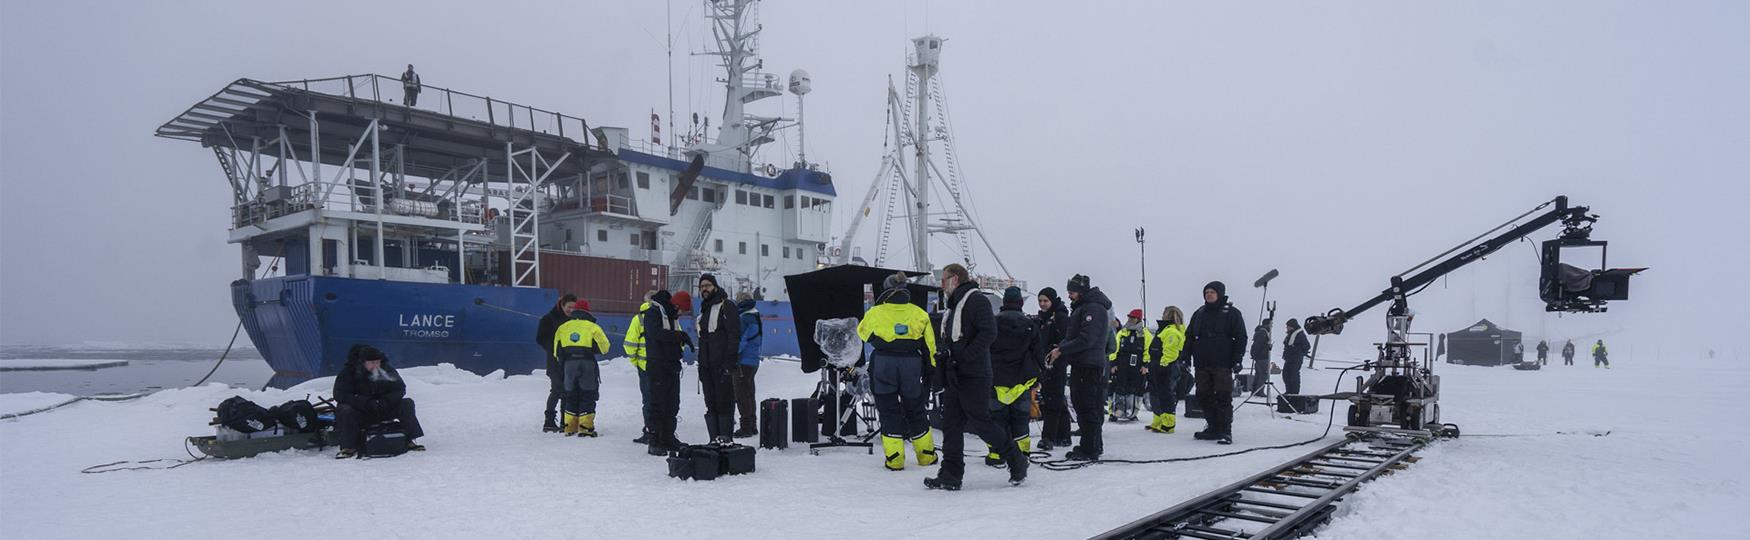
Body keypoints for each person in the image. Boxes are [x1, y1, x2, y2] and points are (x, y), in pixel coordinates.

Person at [925, 264, 1029, 490]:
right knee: (951, 425)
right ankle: (950, 474)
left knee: (981, 423)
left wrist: (964, 356)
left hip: (975, 374)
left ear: (955, 279)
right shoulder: (953, 306)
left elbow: (989, 332)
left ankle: (1016, 459)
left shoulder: (976, 301)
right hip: (955, 373)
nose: (941, 284)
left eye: (944, 279)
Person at [860, 272, 938, 471]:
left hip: (884, 363)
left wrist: (880, 340)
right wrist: (931, 371)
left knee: (888, 410)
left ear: (886, 290)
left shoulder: (874, 312)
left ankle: (895, 460)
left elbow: (863, 332)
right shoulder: (919, 313)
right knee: (916, 410)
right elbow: (930, 345)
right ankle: (926, 456)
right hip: (911, 365)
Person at [1046, 274, 1114, 461]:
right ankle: (1091, 445)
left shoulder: (1093, 308)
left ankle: (1090, 448)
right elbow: (1076, 335)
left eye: (1072, 292)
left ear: (1082, 291)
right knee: (1083, 405)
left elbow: (1087, 339)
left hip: (1089, 365)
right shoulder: (1084, 307)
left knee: (1087, 407)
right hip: (1082, 363)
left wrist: (1062, 349)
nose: (1069, 296)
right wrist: (1060, 346)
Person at [333, 345, 425, 459]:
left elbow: (399, 388)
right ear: (363, 362)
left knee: (406, 404)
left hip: (383, 408)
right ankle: (348, 447)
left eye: (377, 362)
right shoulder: (348, 373)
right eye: (372, 363)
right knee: (345, 410)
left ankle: (409, 440)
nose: (375, 366)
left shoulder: (387, 370)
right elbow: (340, 395)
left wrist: (386, 401)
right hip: (361, 411)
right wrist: (365, 402)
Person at [985, 287, 1042, 468]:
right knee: (1020, 420)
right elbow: (1038, 354)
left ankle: (996, 454)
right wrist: (1040, 376)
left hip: (996, 381)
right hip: (1021, 382)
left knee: (996, 420)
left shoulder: (993, 323)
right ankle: (1022, 454)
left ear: (1004, 303)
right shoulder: (1030, 325)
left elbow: (984, 350)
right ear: (1021, 303)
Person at [1187, 281, 1246, 445]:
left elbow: (1241, 337)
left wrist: (1237, 359)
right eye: (1206, 292)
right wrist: (1185, 356)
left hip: (1222, 362)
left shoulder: (1232, 313)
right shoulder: (1199, 313)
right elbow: (1189, 336)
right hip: (1202, 363)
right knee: (1203, 395)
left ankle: (1226, 430)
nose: (1209, 295)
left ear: (1220, 293)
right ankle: (1213, 427)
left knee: (1223, 396)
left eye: (1212, 292)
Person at [692, 275, 741, 444]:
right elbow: (703, 339)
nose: (704, 289)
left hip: (721, 365)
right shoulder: (704, 309)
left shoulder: (726, 306)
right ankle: (714, 440)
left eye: (707, 285)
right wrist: (701, 366)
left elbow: (734, 335)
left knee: (724, 402)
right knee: (710, 403)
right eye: (701, 286)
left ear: (715, 286)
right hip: (706, 366)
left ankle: (726, 438)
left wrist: (729, 363)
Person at [642, 290, 691, 455]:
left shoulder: (670, 316)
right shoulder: (653, 313)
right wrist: (678, 336)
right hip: (657, 365)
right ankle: (654, 440)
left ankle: (668, 437)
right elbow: (655, 334)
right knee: (657, 403)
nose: (681, 314)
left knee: (672, 403)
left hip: (671, 365)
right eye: (681, 310)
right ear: (676, 305)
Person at [552, 300, 609, 436]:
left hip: (569, 365)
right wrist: (590, 349)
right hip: (587, 363)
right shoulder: (592, 327)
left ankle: (570, 427)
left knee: (570, 394)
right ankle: (586, 428)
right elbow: (605, 347)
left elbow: (556, 351)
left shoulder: (563, 327)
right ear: (587, 311)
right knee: (588, 394)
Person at [1033, 288, 1074, 451]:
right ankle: (1064, 436)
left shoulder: (1060, 317)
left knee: (1052, 401)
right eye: (1040, 301)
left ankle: (1048, 437)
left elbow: (1065, 340)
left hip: (1057, 363)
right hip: (1046, 363)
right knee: (1055, 399)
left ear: (1052, 301)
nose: (1043, 304)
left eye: (1045, 301)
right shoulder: (1043, 318)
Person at [535, 294, 578, 432]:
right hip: (554, 360)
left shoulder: (575, 319)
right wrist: (555, 348)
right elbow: (540, 338)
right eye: (569, 307)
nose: (571, 310)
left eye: (573, 307)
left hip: (569, 360)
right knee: (557, 389)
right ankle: (549, 420)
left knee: (568, 389)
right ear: (562, 304)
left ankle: (565, 421)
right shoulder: (549, 318)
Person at [1146, 306, 1186, 434]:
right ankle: (1158, 420)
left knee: (1165, 394)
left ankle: (1168, 423)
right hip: (1156, 365)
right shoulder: (1164, 330)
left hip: (1165, 366)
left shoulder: (1171, 331)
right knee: (1155, 393)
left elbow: (1171, 350)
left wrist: (1164, 363)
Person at [623, 291, 656, 444]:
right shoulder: (668, 317)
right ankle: (663, 431)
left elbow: (629, 344)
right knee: (663, 400)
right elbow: (680, 340)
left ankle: (649, 431)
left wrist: (636, 361)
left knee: (648, 400)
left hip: (645, 366)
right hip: (663, 368)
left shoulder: (639, 319)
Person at [1110, 309, 1151, 423]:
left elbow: (1148, 351)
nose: (1130, 320)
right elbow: (1115, 349)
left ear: (1138, 319)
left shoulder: (1145, 334)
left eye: (1132, 318)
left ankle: (1132, 412)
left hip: (1137, 366)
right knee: (1118, 387)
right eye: (1129, 317)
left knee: (1135, 389)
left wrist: (1145, 365)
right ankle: (1115, 412)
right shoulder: (1122, 332)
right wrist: (1113, 364)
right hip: (1122, 364)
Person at [733, 292, 763, 438]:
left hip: (743, 361)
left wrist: (733, 353)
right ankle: (752, 425)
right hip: (753, 360)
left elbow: (741, 339)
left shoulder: (744, 318)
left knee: (741, 394)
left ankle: (745, 427)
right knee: (750, 392)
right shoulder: (755, 316)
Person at [1281, 319, 1311, 395]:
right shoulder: (1291, 334)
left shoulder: (1300, 335)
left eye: (1288, 326)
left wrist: (1298, 352)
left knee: (1293, 375)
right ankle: (1288, 390)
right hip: (1289, 358)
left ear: (1292, 326)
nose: (1287, 328)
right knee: (1286, 374)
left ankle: (1294, 392)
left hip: (1295, 359)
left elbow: (1307, 346)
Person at [1248, 322, 1273, 396]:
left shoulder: (1260, 332)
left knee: (1258, 374)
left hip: (1259, 357)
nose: (1271, 326)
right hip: (1262, 357)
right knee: (1263, 374)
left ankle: (1255, 390)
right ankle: (1259, 391)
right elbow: (1259, 345)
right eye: (1271, 324)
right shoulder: (1262, 333)